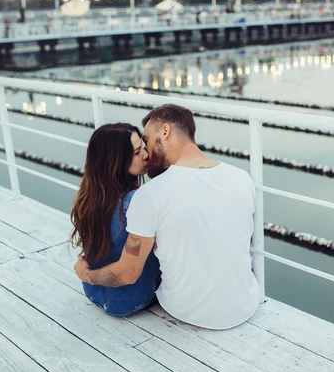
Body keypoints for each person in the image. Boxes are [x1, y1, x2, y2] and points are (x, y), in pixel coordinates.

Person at [74, 104, 263, 330]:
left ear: (165, 132)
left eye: (147, 140)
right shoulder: (242, 178)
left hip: (186, 311)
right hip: (246, 304)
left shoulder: (150, 195)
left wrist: (87, 275)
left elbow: (127, 273)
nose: (146, 153)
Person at [70, 123, 161, 317]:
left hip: (93, 293)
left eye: (143, 147)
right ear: (116, 162)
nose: (146, 155)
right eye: (137, 153)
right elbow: (128, 273)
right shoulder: (138, 201)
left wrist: (86, 275)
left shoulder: (88, 198)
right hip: (134, 299)